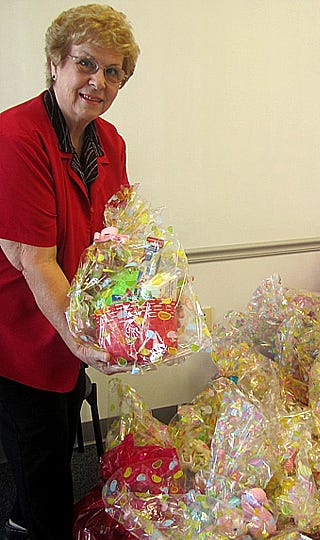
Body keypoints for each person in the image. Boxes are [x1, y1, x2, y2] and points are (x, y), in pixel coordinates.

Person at [0, 5, 140, 539]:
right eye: (86, 64)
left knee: (56, 440)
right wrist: (88, 344)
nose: (98, 82)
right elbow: (35, 262)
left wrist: (143, 309)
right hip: (21, 333)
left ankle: (22, 517)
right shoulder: (17, 138)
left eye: (113, 72)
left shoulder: (111, 143)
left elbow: (118, 239)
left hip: (70, 320)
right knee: (44, 464)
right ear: (56, 62)